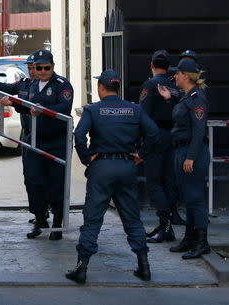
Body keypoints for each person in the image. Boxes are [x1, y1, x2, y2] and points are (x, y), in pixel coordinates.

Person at [66, 69, 158, 284]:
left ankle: (82, 268)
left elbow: (79, 135)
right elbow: (153, 132)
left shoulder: (92, 110)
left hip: (102, 167)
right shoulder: (134, 109)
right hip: (126, 166)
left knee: (93, 218)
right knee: (132, 217)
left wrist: (86, 158)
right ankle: (144, 266)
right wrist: (141, 155)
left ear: (101, 88)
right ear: (117, 88)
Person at [0, 51, 45, 225]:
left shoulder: (47, 87)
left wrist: (14, 103)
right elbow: (5, 87)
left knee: (46, 178)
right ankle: (39, 215)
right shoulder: (24, 84)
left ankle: (51, 214)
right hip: (28, 137)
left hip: (44, 138)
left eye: (34, 68)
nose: (32, 71)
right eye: (29, 68)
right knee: (30, 178)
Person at [14, 49, 73, 240]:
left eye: (46, 67)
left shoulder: (62, 85)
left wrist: (43, 110)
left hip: (56, 141)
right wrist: (12, 103)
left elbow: (64, 108)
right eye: (38, 68)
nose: (42, 71)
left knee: (56, 182)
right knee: (32, 181)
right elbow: (25, 105)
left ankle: (57, 223)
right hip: (34, 141)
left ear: (52, 66)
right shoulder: (31, 85)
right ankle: (40, 219)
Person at [158, 58, 211, 259]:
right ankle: (189, 239)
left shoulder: (198, 98)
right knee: (188, 197)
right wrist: (169, 96)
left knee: (195, 197)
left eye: (178, 73)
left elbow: (198, 131)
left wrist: (191, 157)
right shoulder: (187, 96)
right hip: (181, 151)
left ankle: (202, 241)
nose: (175, 76)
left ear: (186, 76)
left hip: (192, 152)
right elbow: (182, 105)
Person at [138, 50, 182, 243]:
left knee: (154, 182)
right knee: (167, 181)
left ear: (152, 64)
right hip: (172, 137)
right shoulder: (175, 86)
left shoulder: (150, 85)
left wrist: (140, 144)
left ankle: (165, 224)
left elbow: (144, 117)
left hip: (155, 138)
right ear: (169, 67)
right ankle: (167, 223)